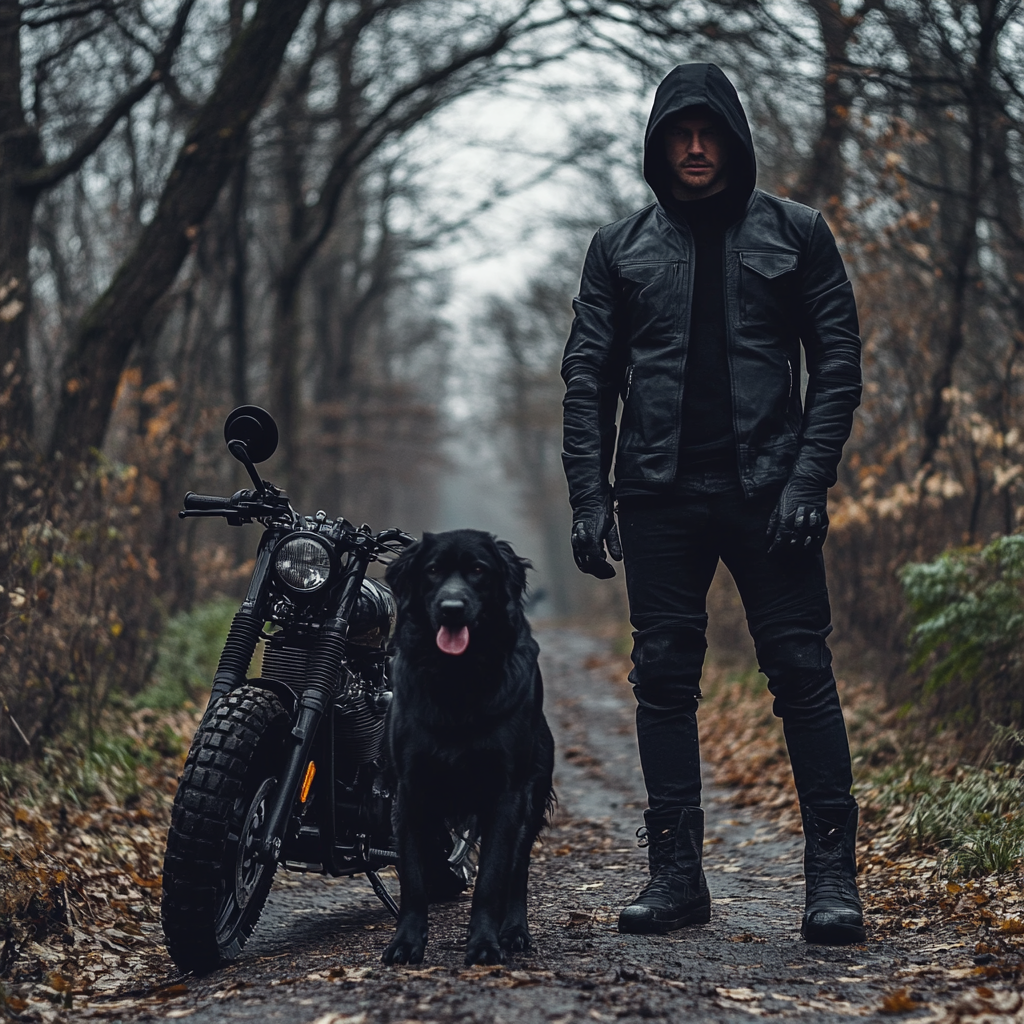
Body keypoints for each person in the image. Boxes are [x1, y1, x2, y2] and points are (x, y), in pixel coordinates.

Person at [560, 63, 864, 945]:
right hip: (655, 496)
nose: (695, 149)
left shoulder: (799, 233)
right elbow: (589, 378)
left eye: (709, 133)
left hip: (772, 495)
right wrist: (589, 499)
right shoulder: (618, 247)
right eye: (678, 136)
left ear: (734, 139)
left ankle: (833, 885)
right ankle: (676, 879)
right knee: (662, 680)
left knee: (803, 676)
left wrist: (809, 480)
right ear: (658, 147)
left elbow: (838, 365)